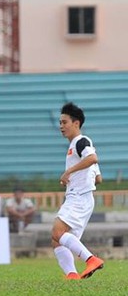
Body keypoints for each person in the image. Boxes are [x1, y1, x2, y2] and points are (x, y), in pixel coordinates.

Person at [52, 102, 104, 280]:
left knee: (57, 233)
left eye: (64, 122)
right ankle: (72, 275)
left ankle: (91, 259)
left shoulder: (81, 141)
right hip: (82, 197)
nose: (61, 126)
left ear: (76, 123)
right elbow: (98, 178)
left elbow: (92, 158)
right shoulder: (78, 145)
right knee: (57, 239)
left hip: (79, 197)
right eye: (60, 123)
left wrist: (69, 172)